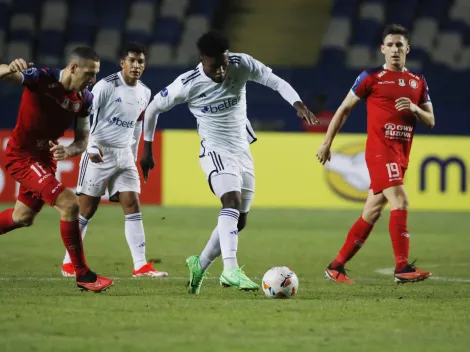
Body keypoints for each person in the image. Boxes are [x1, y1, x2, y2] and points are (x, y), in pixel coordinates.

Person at [140, 30, 318, 294]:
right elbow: (153, 108)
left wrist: (298, 103)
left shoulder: (241, 63)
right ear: (203, 59)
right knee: (231, 202)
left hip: (242, 150)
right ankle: (230, 270)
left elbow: (274, 81)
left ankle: (199, 264)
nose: (222, 71)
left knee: (239, 221)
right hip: (214, 150)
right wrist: (147, 150)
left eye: (224, 63)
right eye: (215, 66)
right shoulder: (187, 83)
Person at [316, 24, 434, 284]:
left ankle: (336, 266)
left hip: (402, 154)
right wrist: (326, 142)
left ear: (407, 50)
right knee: (400, 202)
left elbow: (431, 120)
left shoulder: (418, 81)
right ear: (382, 49)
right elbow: (344, 109)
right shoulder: (371, 77)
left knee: (371, 212)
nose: (394, 49)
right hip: (380, 152)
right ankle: (402, 268)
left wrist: (414, 108)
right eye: (390, 45)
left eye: (399, 45)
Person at [0, 48, 114, 292]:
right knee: (70, 203)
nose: (93, 80)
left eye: (96, 74)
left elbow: (82, 141)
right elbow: (5, 74)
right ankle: (83, 274)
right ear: (73, 68)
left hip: (45, 160)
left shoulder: (85, 100)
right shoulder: (41, 78)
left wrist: (69, 151)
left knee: (23, 218)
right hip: (23, 156)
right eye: (89, 73)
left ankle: (82, 274)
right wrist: (9, 68)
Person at [60, 42, 168, 278]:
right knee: (86, 209)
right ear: (122, 63)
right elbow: (86, 114)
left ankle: (140, 265)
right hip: (99, 151)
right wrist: (90, 147)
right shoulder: (106, 86)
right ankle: (69, 262)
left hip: (124, 154)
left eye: (141, 61)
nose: (136, 65)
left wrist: (136, 152)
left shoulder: (145, 92)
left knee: (132, 204)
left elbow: (137, 125)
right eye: (132, 60)